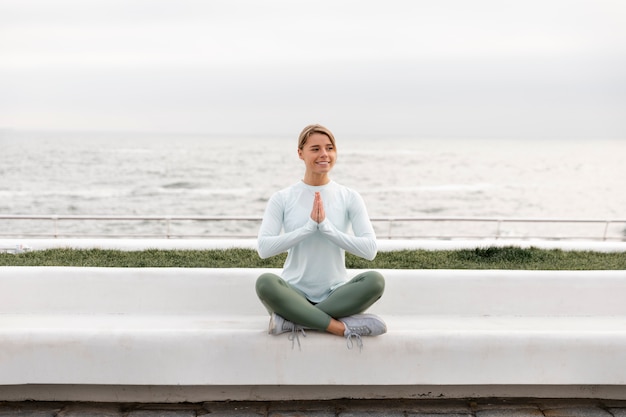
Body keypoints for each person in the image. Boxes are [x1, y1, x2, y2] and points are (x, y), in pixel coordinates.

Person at [255, 124, 386, 350]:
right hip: (293, 294)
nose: (324, 154)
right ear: (300, 153)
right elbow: (264, 249)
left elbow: (369, 249)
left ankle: (294, 320)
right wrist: (307, 228)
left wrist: (326, 228)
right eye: (315, 149)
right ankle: (340, 327)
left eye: (330, 148)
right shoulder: (283, 198)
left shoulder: (349, 197)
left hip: (336, 295)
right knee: (265, 283)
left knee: (375, 281)